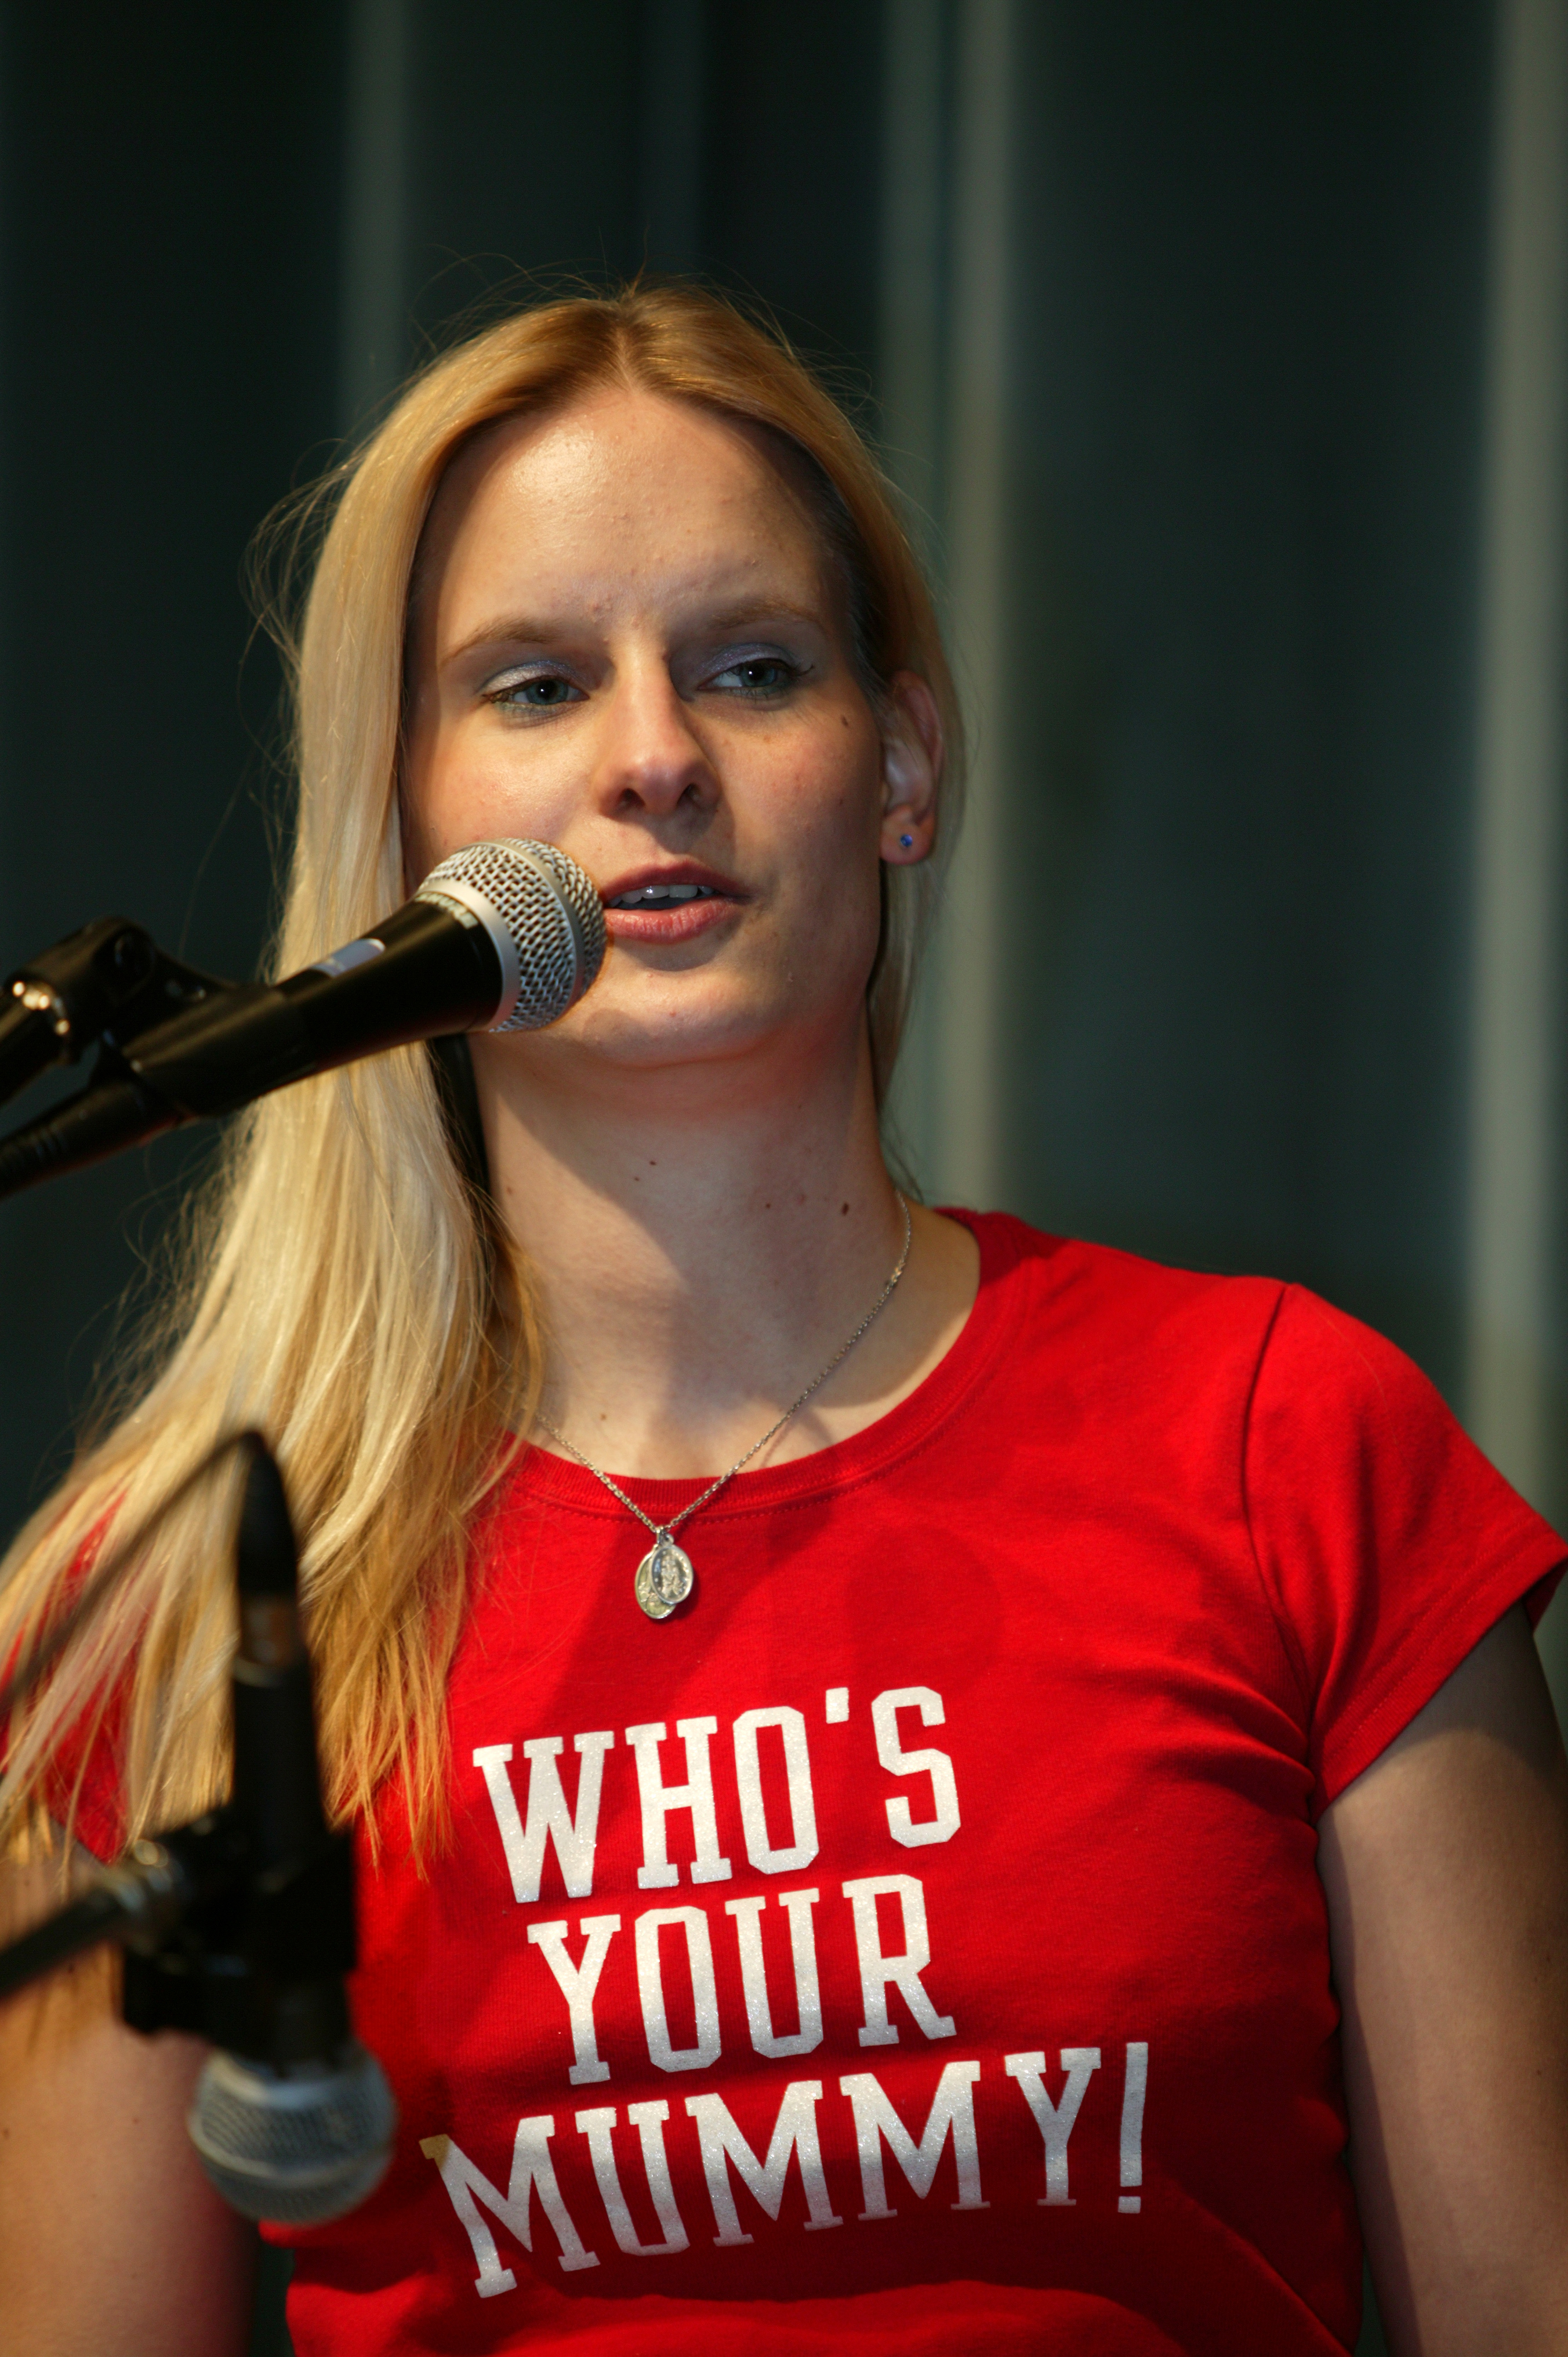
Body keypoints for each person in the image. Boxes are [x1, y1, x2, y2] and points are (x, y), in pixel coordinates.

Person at [2, 283, 1567, 2357]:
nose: (656, 759)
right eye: (538, 686)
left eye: (751, 668)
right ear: (400, 817)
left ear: (901, 765)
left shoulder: (1283, 1441)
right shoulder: (187, 1601)